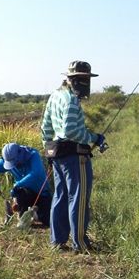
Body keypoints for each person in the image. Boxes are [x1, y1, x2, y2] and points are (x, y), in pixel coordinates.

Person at [40, 60, 107, 253]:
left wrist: (49, 149)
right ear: (71, 79)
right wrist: (93, 138)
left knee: (60, 196)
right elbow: (70, 130)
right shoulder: (71, 99)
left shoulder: (55, 96)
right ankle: (81, 244)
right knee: (78, 197)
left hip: (57, 154)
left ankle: (57, 241)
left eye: (86, 78)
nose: (85, 83)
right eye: (81, 79)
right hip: (74, 156)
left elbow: (46, 127)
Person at [0, 142, 51, 226]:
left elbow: (36, 173)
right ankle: (23, 215)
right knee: (23, 219)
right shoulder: (7, 159)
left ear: (20, 153)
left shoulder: (33, 155)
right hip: (24, 193)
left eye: (14, 161)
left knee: (47, 221)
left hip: (42, 193)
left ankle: (35, 214)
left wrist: (18, 184)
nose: (13, 165)